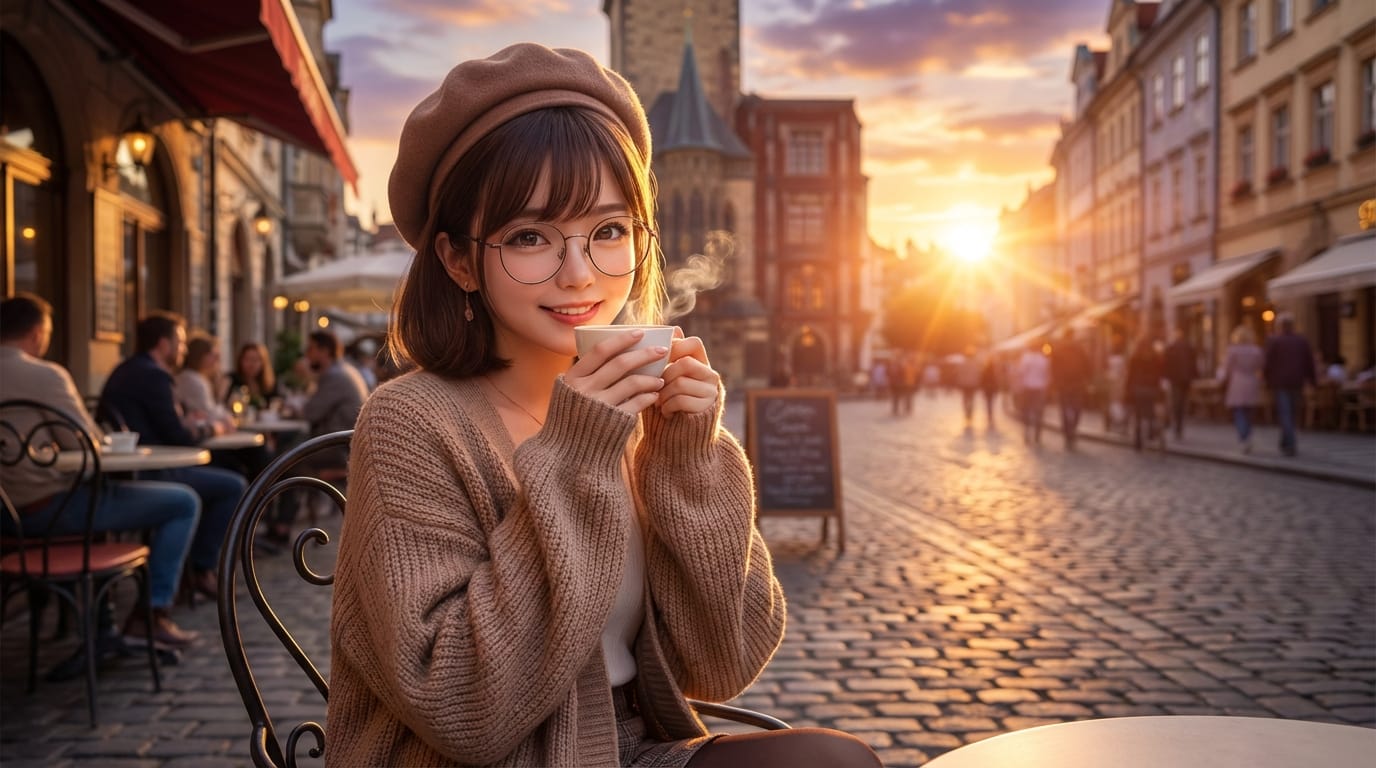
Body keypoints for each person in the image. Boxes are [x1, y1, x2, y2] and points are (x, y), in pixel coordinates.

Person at [324, 43, 880, 768]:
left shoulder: (640, 422)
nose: (580, 273)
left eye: (609, 231)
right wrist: (576, 451)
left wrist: (687, 458)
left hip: (624, 748)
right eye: (530, 237)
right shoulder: (411, 421)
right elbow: (463, 711)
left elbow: (724, 662)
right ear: (459, 259)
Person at [0, 293, 201, 647]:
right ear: (36, 333)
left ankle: (102, 621)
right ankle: (150, 614)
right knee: (183, 502)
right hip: (47, 509)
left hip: (7, 515)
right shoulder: (45, 374)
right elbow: (86, 445)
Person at [99, 312, 247, 599]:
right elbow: (178, 438)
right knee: (233, 486)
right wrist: (210, 429)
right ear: (164, 344)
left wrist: (189, 423)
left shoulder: (126, 370)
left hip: (128, 468)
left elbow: (163, 426)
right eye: (180, 342)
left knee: (224, 476)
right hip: (148, 470)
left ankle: (191, 571)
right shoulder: (154, 376)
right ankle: (199, 570)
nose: (184, 350)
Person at [1264, 314, 1316, 457]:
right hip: (1297, 381)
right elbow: (1309, 362)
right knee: (1292, 412)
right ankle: (1286, 441)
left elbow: (1268, 364)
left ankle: (1290, 442)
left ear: (1280, 326)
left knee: (1285, 412)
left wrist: (1267, 381)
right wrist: (1312, 381)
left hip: (1280, 382)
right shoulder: (1301, 341)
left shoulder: (1274, 341)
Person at [1221, 324, 1265, 454]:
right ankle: (1248, 435)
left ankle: (1243, 437)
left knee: (1239, 411)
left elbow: (1227, 368)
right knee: (1249, 411)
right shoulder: (1256, 350)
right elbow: (1261, 366)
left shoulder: (1232, 350)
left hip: (1237, 382)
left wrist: (1222, 380)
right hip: (1251, 381)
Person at [1049, 329, 1091, 450]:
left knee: (1066, 408)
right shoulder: (1079, 349)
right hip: (1076, 384)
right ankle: (1071, 429)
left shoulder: (1059, 350)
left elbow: (1053, 369)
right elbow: (1087, 365)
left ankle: (1068, 431)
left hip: (1065, 385)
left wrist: (1055, 383)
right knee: (1076, 408)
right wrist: (1087, 379)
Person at [1124, 334, 1165, 451]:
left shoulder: (1135, 358)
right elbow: (1160, 374)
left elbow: (1130, 376)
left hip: (1138, 390)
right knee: (1151, 413)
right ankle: (1151, 432)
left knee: (1138, 415)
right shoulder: (1156, 358)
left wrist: (1127, 390)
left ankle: (1138, 441)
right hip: (1152, 390)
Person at [1162, 327, 1197, 441]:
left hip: (1175, 380)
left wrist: (1165, 377)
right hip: (1185, 380)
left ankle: (1177, 427)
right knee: (1182, 404)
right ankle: (1179, 427)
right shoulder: (1189, 347)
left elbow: (1165, 365)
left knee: (1176, 404)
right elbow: (1193, 364)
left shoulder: (1171, 348)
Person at [224, 341, 280, 410]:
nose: (251, 364)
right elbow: (222, 403)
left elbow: (277, 402)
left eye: (255, 360)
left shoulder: (270, 382)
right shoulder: (231, 380)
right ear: (240, 360)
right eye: (247, 359)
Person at [1014, 340, 1050, 445]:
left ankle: (1027, 432)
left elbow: (1020, 372)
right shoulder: (1044, 359)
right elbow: (1047, 374)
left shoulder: (1026, 358)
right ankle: (1037, 435)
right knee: (1039, 411)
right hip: (1040, 388)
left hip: (1027, 387)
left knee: (1026, 410)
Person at [954, 348, 982, 428]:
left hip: (964, 384)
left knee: (965, 399)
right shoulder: (976, 363)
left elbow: (958, 373)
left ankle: (966, 412)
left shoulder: (962, 363)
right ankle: (970, 413)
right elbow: (978, 374)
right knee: (972, 399)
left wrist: (958, 382)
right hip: (973, 384)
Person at [979, 352, 1000, 429]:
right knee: (991, 401)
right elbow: (996, 380)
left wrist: (982, 387)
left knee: (988, 401)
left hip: (987, 388)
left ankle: (989, 414)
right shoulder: (994, 370)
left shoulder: (985, 370)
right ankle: (990, 414)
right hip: (992, 388)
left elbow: (982, 379)